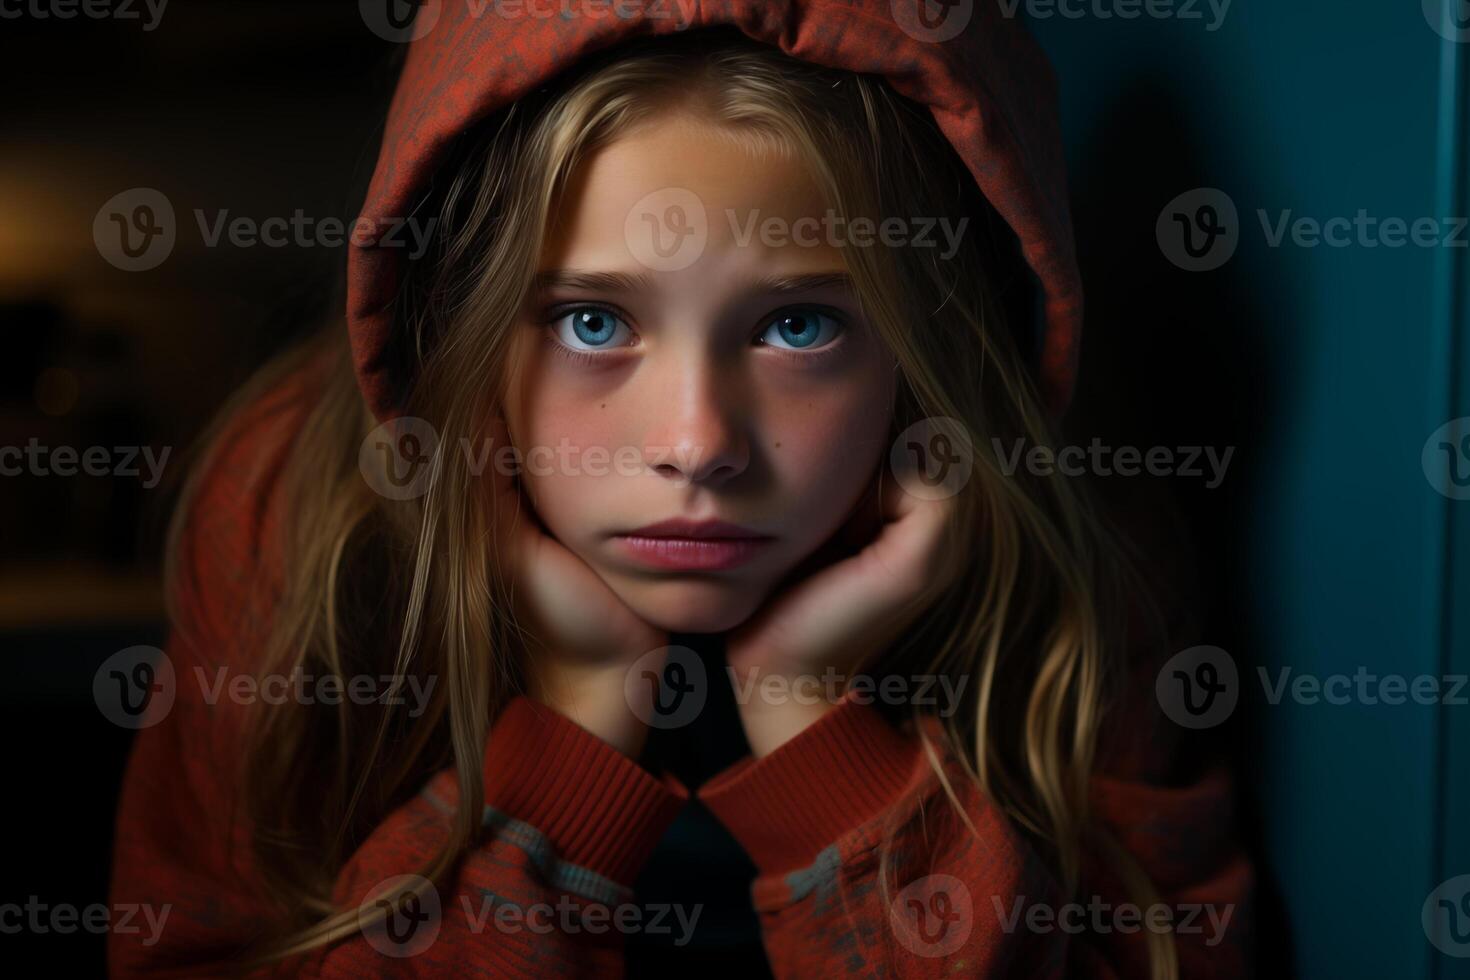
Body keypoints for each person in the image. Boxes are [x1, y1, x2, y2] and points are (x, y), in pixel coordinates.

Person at [108, 6, 1254, 977]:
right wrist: (560, 754)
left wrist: (821, 732)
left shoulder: (1067, 538)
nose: (697, 443)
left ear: (930, 350)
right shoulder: (298, 511)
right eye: (591, 320)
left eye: (797, 325)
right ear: (456, 328)